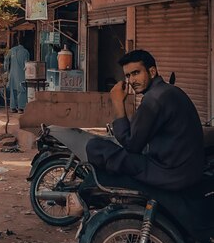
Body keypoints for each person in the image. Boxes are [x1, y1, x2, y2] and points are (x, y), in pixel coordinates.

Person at [86, 49, 205, 191]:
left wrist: (117, 103)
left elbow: (131, 146)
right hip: (187, 171)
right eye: (128, 76)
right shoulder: (169, 91)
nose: (132, 81)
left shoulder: (154, 99)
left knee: (95, 147)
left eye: (136, 73)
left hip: (170, 173)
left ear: (152, 72)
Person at [4, 38, 30, 113]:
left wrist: (6, 70)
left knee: (13, 90)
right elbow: (27, 65)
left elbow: (6, 61)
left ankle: (13, 108)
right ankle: (21, 108)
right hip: (22, 74)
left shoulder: (11, 50)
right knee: (22, 90)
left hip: (12, 74)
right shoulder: (26, 52)